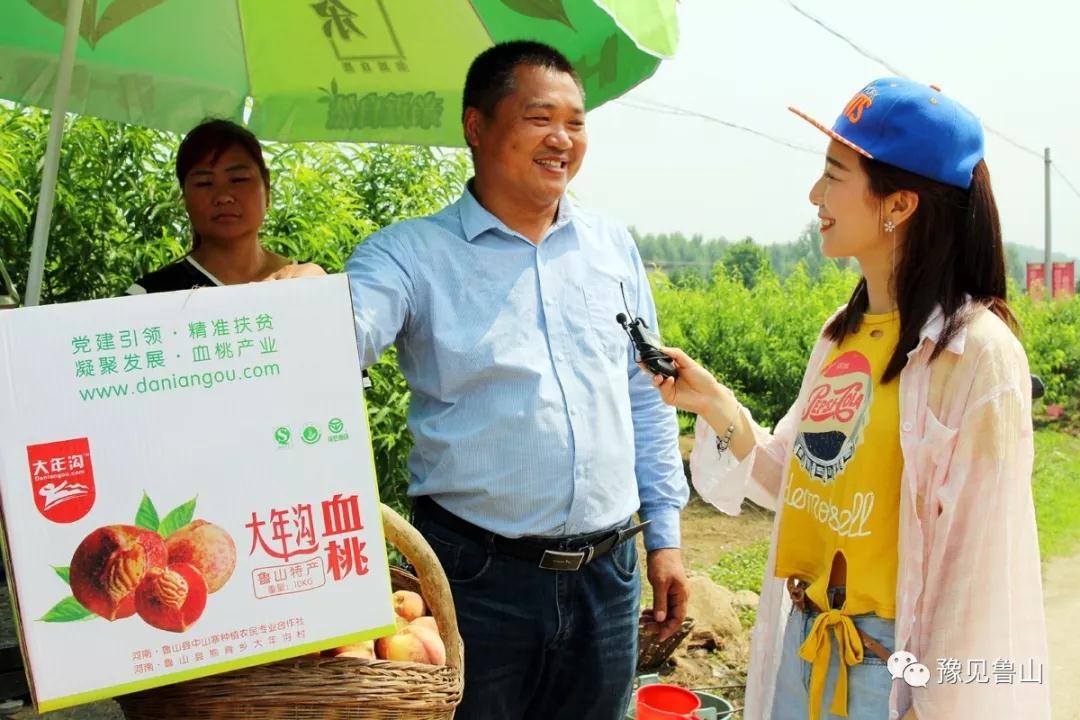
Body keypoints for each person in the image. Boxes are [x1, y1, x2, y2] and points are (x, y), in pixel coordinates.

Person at [648, 78, 1049, 720]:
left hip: (892, 674)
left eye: (834, 176)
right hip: (804, 648)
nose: (816, 195)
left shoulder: (975, 353)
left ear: (900, 204)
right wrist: (715, 403)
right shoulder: (842, 334)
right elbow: (795, 482)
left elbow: (980, 571)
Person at [343, 41, 690, 720]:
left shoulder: (610, 247)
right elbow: (346, 331)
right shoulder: (410, 255)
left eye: (576, 122)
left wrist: (666, 536)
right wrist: (307, 309)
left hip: (608, 576)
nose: (562, 139)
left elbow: (646, 392)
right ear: (477, 126)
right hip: (478, 578)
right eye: (540, 118)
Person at [126, 119, 313, 294]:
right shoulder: (146, 297)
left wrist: (323, 290)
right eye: (204, 183)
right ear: (184, 198)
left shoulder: (309, 283)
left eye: (238, 179)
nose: (223, 197)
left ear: (267, 187)